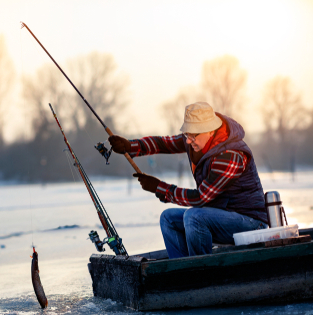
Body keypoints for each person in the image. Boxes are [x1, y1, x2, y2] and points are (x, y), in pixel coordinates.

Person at [108, 102, 268, 259]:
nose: (188, 141)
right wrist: (130, 146)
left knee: (194, 217)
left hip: (250, 222)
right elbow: (163, 144)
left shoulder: (231, 155)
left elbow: (201, 198)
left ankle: (199, 272)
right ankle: (181, 270)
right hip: (219, 215)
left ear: (210, 131)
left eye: (193, 136)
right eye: (187, 135)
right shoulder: (197, 141)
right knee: (168, 218)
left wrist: (160, 187)